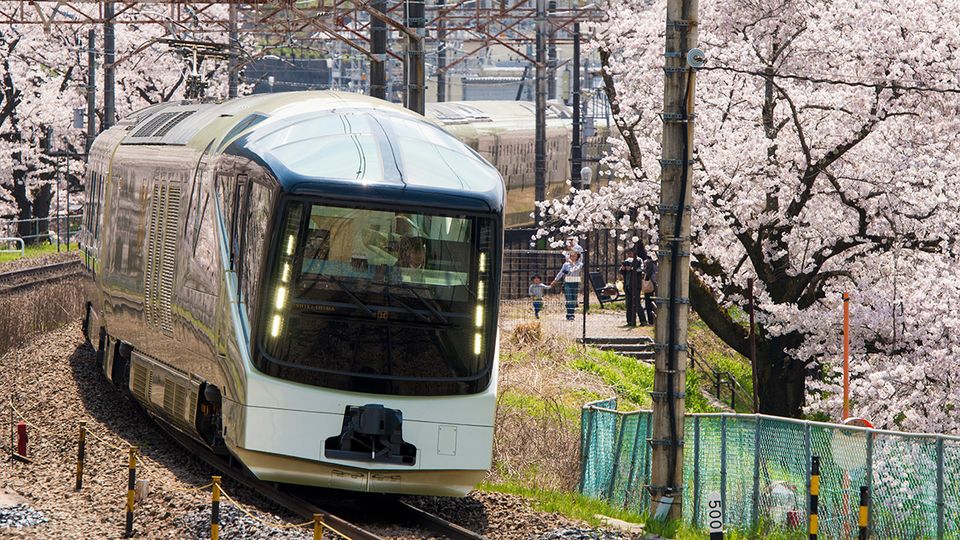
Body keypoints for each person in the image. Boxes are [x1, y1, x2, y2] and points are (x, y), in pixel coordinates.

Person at [550, 251, 583, 320]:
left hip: (575, 282)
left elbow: (576, 269)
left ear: (577, 256)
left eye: (574, 256)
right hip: (568, 282)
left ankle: (571, 313)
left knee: (574, 299)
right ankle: (570, 314)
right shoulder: (566, 265)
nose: (572, 257)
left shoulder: (580, 264)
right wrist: (555, 281)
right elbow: (561, 273)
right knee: (569, 298)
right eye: (571, 256)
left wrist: (571, 263)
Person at [619, 247, 646, 326]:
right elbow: (620, 271)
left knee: (637, 303)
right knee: (629, 304)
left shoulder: (639, 260)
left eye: (630, 253)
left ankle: (643, 321)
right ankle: (630, 321)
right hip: (627, 285)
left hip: (635, 285)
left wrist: (632, 269)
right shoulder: (627, 261)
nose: (629, 254)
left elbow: (641, 270)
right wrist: (624, 268)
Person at [642, 253, 658, 325]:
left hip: (650, 285)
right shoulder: (657, 263)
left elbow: (648, 273)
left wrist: (645, 277)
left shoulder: (648, 262)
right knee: (653, 302)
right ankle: (652, 319)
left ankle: (650, 320)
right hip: (656, 283)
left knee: (648, 302)